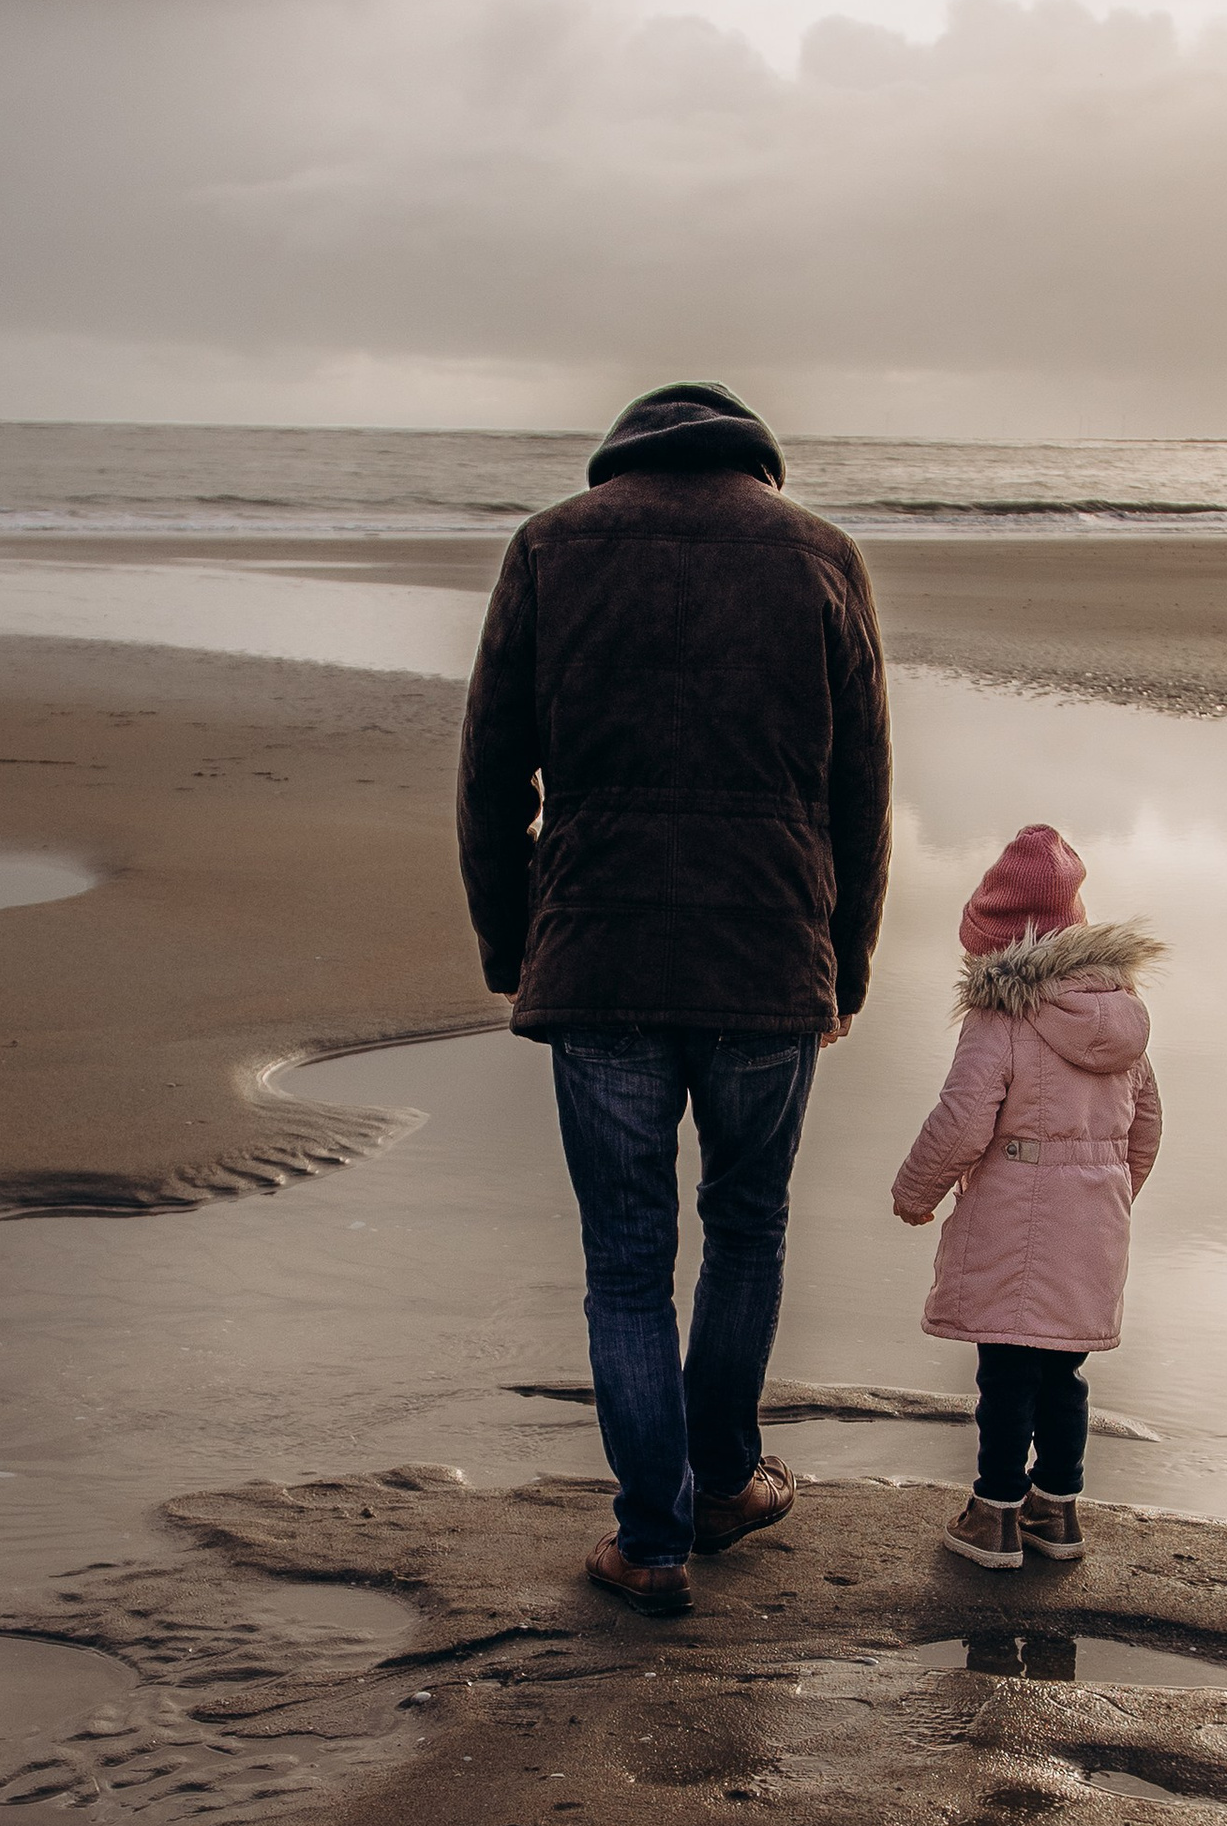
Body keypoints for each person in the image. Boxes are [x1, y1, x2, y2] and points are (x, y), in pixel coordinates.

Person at [458, 380, 891, 1616]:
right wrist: (843, 965)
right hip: (767, 952)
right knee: (747, 1225)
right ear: (754, 456)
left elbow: (490, 775)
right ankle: (723, 1486)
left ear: (620, 456)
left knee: (626, 1259)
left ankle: (649, 1538)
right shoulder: (820, 554)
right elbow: (861, 787)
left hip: (597, 953)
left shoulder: (551, 546)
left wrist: (515, 944)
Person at [890, 823, 1163, 1570]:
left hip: (1016, 1225)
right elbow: (1145, 1128)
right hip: (1095, 1228)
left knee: (1006, 1372)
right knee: (1065, 1373)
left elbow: (960, 1120)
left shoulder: (1002, 1017)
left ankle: (995, 1514)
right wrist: (1107, 1197)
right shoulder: (1121, 1016)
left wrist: (916, 1193)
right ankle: (1058, 1509)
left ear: (992, 940)